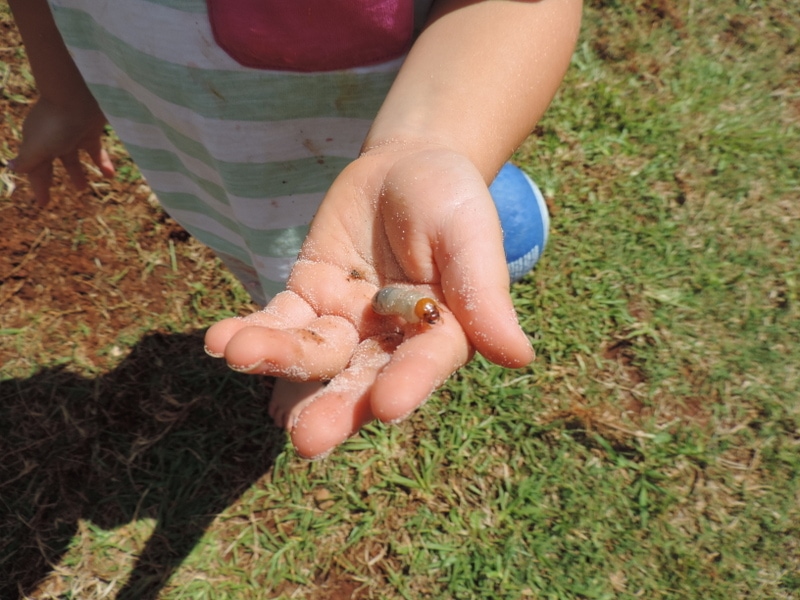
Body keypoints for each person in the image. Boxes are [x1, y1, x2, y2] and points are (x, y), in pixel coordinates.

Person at [8, 0, 582, 459]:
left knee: (350, 250)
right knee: (276, 261)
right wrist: (65, 94)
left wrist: (432, 144)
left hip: (385, 128)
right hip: (211, 153)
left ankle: (473, 175)